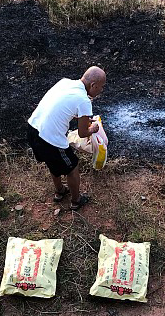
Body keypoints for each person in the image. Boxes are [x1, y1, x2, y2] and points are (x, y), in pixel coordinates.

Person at [26, 66, 106, 209]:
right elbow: (82, 133)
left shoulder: (65, 82)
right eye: (101, 87)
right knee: (72, 168)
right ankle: (76, 201)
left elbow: (61, 105)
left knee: (52, 161)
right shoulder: (84, 101)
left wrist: (78, 116)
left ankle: (60, 191)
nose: (101, 90)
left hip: (33, 128)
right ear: (93, 85)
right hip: (49, 139)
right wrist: (93, 129)